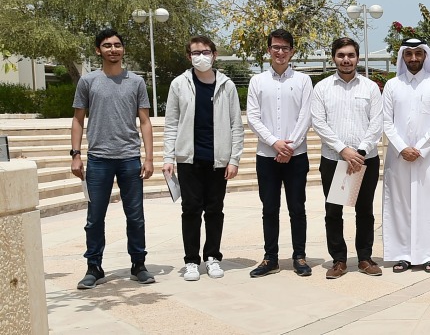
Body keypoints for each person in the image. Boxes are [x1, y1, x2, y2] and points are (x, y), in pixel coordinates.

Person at [71, 29, 157, 289]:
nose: (113, 49)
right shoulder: (88, 81)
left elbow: (145, 121)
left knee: (136, 216)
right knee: (94, 217)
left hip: (129, 158)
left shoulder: (136, 82)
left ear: (123, 49)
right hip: (98, 159)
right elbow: (77, 120)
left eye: (117, 45)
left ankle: (138, 264)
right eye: (107, 46)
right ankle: (94, 267)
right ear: (98, 50)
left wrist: (149, 158)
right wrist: (75, 155)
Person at [162, 35, 245, 282]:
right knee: (190, 210)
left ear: (214, 54)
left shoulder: (227, 85)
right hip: (189, 159)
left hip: (218, 159)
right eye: (196, 53)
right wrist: (169, 157)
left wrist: (234, 159)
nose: (201, 57)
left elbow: (236, 125)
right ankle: (191, 260)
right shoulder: (179, 84)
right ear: (189, 56)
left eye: (206, 52)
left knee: (214, 210)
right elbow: (171, 124)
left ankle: (212, 257)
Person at [311, 37, 384, 279]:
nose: (346, 59)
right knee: (334, 211)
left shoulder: (370, 88)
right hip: (335, 159)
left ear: (358, 58)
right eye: (341, 55)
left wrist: (360, 152)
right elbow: (319, 123)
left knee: (364, 210)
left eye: (351, 55)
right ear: (334, 58)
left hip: (365, 159)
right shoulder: (322, 88)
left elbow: (377, 123)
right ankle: (339, 260)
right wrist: (344, 150)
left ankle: (364, 258)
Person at [246, 29, 314, 278]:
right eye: (276, 47)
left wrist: (290, 146)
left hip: (296, 156)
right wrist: (275, 143)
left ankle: (299, 256)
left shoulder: (304, 81)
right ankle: (270, 257)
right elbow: (253, 117)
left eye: (285, 48)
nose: (280, 52)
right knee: (269, 208)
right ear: (268, 50)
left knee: (297, 207)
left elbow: (306, 116)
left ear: (292, 51)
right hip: (266, 156)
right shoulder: (257, 81)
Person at [381, 39, 430, 273]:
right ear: (402, 57)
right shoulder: (392, 85)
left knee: (429, 204)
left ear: (425, 56)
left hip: (427, 158)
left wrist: (419, 148)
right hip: (399, 157)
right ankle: (402, 255)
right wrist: (402, 147)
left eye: (418, 54)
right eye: (408, 54)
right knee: (400, 205)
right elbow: (386, 121)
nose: (413, 58)